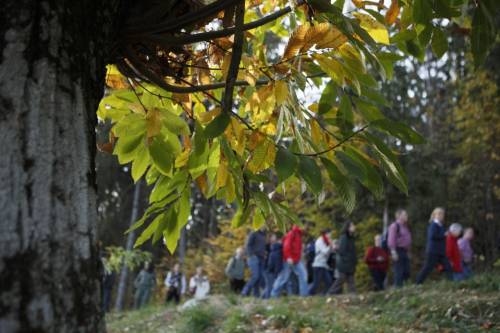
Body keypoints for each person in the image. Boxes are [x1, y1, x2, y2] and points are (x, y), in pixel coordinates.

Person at [416, 207, 453, 284]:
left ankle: (451, 283)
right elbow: (432, 236)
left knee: (448, 267)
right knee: (427, 268)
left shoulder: (440, 225)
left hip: (440, 252)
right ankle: (418, 282)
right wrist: (444, 235)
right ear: (435, 215)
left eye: (442, 214)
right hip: (433, 251)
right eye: (439, 214)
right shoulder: (433, 225)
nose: (441, 216)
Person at [271, 225, 309, 297]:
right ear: (300, 225)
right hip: (289, 260)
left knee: (303, 275)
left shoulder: (299, 235)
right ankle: (273, 295)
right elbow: (286, 246)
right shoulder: (292, 233)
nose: (305, 228)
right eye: (304, 226)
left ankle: (304, 295)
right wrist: (288, 257)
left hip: (296, 260)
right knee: (283, 278)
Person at [328, 221, 357, 295]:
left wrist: (353, 261)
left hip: (350, 264)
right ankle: (329, 294)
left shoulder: (351, 238)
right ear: (348, 228)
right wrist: (348, 259)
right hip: (344, 264)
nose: (354, 227)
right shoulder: (344, 237)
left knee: (351, 282)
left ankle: (353, 297)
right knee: (341, 280)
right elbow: (341, 251)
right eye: (352, 225)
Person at [387, 209, 412, 287]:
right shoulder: (395, 226)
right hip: (398, 250)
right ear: (399, 216)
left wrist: (408, 251)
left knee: (407, 270)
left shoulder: (405, 226)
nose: (406, 216)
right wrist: (393, 252)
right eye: (405, 215)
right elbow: (391, 239)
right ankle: (398, 288)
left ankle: (404, 287)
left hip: (404, 251)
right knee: (399, 271)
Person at [241, 227, 267, 297]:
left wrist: (264, 253)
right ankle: (245, 291)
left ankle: (256, 295)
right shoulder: (253, 233)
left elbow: (261, 247)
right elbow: (248, 245)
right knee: (255, 276)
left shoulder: (264, 234)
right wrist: (252, 255)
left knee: (260, 277)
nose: (264, 225)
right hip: (253, 257)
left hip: (261, 258)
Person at [309, 229, 334, 295]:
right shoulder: (320, 241)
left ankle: (323, 295)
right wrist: (330, 245)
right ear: (326, 234)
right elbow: (325, 252)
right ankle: (308, 294)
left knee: (329, 282)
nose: (331, 236)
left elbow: (331, 252)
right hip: (318, 265)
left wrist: (332, 246)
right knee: (316, 283)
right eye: (330, 234)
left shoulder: (326, 241)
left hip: (323, 265)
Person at [263, 234, 283, 298]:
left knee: (269, 286)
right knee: (270, 286)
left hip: (270, 269)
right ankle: (266, 299)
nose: (273, 239)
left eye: (274, 237)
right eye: (272, 237)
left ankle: (264, 298)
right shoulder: (267, 246)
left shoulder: (276, 248)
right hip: (268, 269)